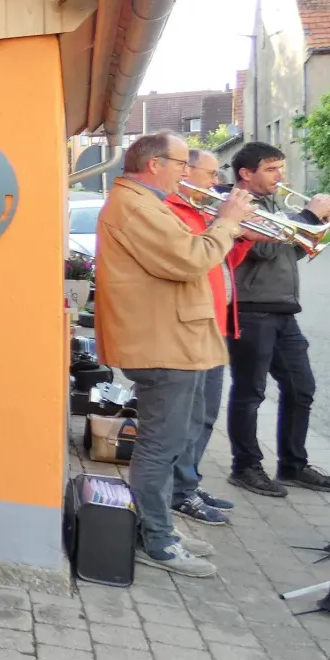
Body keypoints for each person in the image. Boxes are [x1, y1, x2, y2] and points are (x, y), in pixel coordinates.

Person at [95, 132, 249, 577]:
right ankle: (156, 540)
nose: (189, 172)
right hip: (162, 345)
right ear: (154, 164)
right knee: (160, 447)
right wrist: (228, 220)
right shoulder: (136, 206)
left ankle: (161, 529)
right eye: (182, 163)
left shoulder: (147, 203)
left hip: (175, 340)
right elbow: (188, 259)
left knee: (171, 443)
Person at [223, 142, 330, 496]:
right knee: (250, 392)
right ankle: (245, 467)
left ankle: (293, 465)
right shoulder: (237, 205)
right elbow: (259, 247)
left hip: (282, 310)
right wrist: (307, 218)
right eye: (272, 169)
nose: (282, 176)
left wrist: (312, 233)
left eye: (281, 168)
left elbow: (283, 251)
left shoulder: (274, 205)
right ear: (246, 174)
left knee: (301, 388)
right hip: (251, 309)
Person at [163, 151, 247, 527]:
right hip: (192, 331)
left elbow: (220, 262)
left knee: (206, 415)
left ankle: (189, 483)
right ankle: (179, 492)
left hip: (215, 326)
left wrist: (240, 235)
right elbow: (194, 261)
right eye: (209, 173)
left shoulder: (199, 211)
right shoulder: (173, 210)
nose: (215, 182)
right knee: (190, 417)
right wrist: (226, 224)